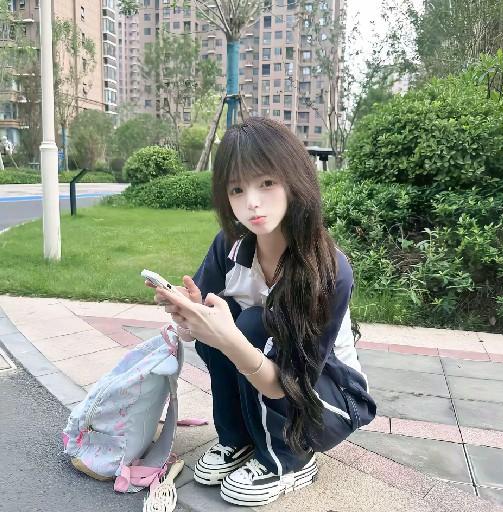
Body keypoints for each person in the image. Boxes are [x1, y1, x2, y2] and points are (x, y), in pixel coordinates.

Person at [149, 117, 376, 507]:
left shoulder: (327, 270)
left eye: (267, 183)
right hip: (275, 375)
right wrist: (187, 315)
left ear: (294, 180)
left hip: (327, 397)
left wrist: (227, 336)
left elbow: (287, 384)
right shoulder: (230, 246)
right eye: (237, 189)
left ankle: (288, 459)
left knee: (251, 323)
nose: (251, 202)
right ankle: (238, 439)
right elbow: (203, 324)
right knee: (223, 320)